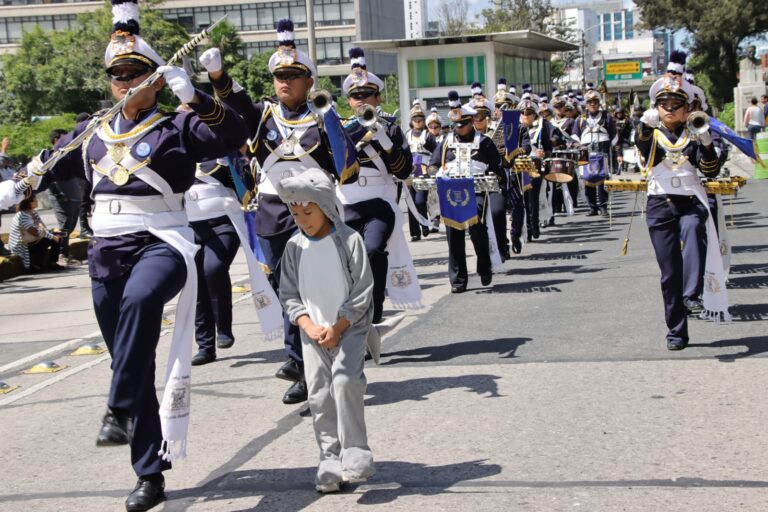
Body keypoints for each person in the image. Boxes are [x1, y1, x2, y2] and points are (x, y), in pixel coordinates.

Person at [17, 1, 247, 508]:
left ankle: (116, 407)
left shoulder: (176, 126)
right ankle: (149, 472)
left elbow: (234, 135)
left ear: (155, 79)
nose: (125, 82)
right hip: (106, 251)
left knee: (142, 302)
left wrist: (200, 96)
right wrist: (17, 187)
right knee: (130, 358)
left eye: (135, 73)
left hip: (163, 243)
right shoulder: (92, 130)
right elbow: (45, 168)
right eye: (117, 75)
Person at [201, 19, 359, 405]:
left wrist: (331, 121)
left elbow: (345, 166)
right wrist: (217, 74)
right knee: (285, 290)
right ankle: (300, 362)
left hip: (314, 211)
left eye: (293, 76)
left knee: (313, 288)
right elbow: (235, 102)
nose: (284, 82)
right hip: (272, 211)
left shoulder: (322, 117)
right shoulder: (263, 116)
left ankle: (311, 368)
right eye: (279, 76)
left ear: (308, 81)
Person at [277, 168, 375, 493]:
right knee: (319, 396)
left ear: (326, 206)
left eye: (308, 212)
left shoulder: (349, 241)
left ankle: (355, 452)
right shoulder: (293, 247)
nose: (302, 219)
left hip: (349, 329)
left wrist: (339, 326)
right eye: (295, 213)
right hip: (313, 334)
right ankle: (329, 460)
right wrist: (308, 325)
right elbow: (289, 294)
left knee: (346, 382)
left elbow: (362, 291)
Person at [637, 50, 727, 351]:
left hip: (690, 200)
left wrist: (706, 143)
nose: (670, 109)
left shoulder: (695, 131)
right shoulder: (651, 132)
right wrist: (644, 126)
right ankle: (676, 331)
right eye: (664, 104)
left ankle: (692, 294)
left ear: (687, 107)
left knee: (692, 229)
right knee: (668, 273)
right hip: (660, 203)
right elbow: (644, 154)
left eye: (676, 104)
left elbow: (710, 170)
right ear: (657, 108)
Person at [339, 47, 419, 324]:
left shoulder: (392, 128)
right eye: (355, 96)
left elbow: (404, 170)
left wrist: (384, 141)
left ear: (378, 97)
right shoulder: (339, 129)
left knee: (372, 250)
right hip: (346, 205)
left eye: (367, 95)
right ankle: (354, 318)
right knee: (346, 266)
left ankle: (374, 311)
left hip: (379, 205)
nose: (361, 101)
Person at [429, 90, 504, 293]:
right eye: (456, 125)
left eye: (462, 125)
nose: (458, 128)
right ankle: (458, 279)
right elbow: (433, 164)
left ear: (471, 122)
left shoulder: (485, 142)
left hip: (476, 191)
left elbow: (498, 168)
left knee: (477, 229)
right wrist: (436, 173)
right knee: (454, 235)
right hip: (452, 193)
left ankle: (484, 265)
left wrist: (490, 177)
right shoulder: (445, 142)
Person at [468, 84, 509, 260]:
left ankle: (502, 245)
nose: (478, 119)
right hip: (471, 184)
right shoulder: (463, 135)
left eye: (481, 115)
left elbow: (506, 155)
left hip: (494, 181)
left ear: (488, 116)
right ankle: (483, 254)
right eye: (474, 115)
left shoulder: (498, 132)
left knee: (497, 211)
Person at [572, 88, 619, 217]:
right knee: (587, 180)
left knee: (603, 180)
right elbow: (575, 135)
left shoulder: (607, 117)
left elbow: (614, 135)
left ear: (599, 103)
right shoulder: (580, 119)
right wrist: (578, 145)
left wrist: (612, 148)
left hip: (602, 151)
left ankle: (603, 207)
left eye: (595, 101)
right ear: (586, 104)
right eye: (590, 102)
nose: (592, 104)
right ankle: (592, 207)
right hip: (585, 152)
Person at [46, 128, 84, 264]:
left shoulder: (70, 154)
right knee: (64, 227)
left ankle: (65, 251)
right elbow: (49, 179)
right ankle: (61, 253)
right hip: (62, 198)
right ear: (56, 139)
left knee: (70, 227)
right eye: (64, 137)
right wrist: (60, 195)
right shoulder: (51, 156)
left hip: (75, 197)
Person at [404, 100, 438, 241]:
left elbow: (436, 152)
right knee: (410, 201)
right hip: (410, 169)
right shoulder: (407, 135)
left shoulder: (428, 136)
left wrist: (432, 167)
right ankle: (415, 232)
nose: (417, 121)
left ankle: (424, 223)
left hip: (422, 170)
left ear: (424, 121)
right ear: (411, 121)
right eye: (415, 119)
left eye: (420, 119)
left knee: (419, 200)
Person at [8, 194, 62, 272]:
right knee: (46, 240)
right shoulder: (23, 215)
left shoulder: (33, 213)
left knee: (57, 236)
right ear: (29, 203)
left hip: (31, 240)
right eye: (35, 200)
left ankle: (52, 263)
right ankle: (37, 265)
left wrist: (53, 233)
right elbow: (35, 232)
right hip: (22, 245)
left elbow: (43, 228)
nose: (37, 202)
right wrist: (52, 236)